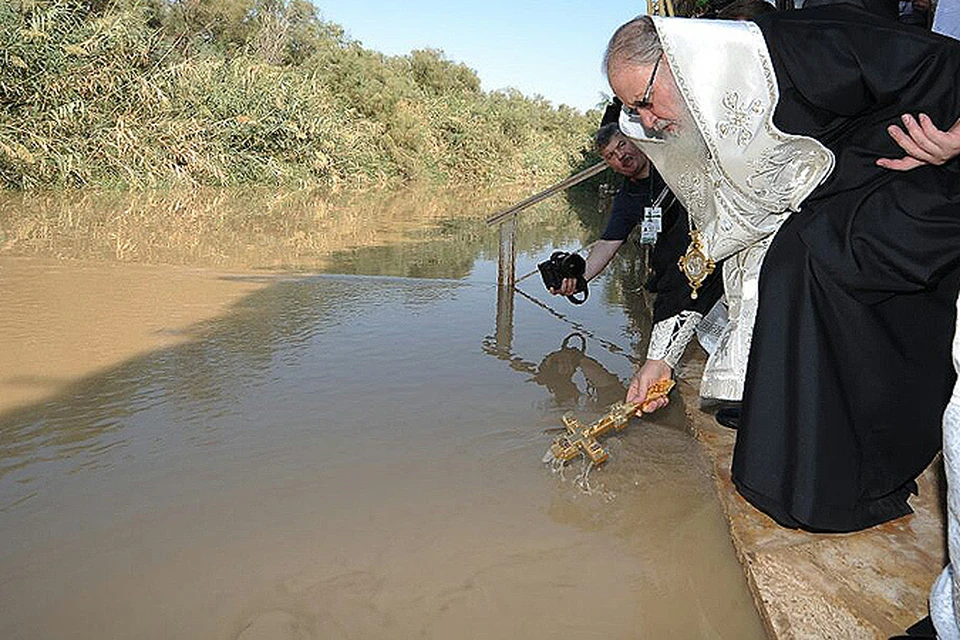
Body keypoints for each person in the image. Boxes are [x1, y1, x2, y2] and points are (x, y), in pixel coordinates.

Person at [604, 5, 960, 532]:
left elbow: (943, 64)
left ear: (677, 61)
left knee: (816, 260)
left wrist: (955, 139)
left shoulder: (798, 43)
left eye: (643, 102)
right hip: (840, 198)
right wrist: (661, 359)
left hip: (926, 175)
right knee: (785, 263)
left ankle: (870, 460)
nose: (647, 122)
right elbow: (702, 242)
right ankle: (801, 469)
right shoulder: (700, 127)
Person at [550, 123, 725, 397]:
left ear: (635, 140)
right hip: (675, 274)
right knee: (711, 333)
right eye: (610, 156)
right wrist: (579, 280)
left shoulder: (673, 157)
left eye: (622, 145)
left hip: (716, 254)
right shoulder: (627, 198)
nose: (620, 156)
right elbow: (608, 244)